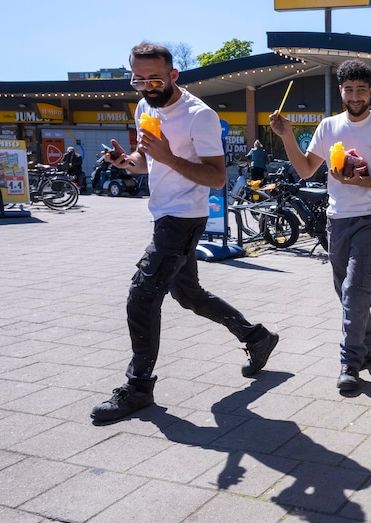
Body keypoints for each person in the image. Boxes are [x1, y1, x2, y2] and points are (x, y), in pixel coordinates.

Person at [90, 42, 279, 425]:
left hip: (183, 218)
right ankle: (256, 337)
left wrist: (167, 157)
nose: (146, 86)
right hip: (163, 214)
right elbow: (146, 161)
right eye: (138, 79)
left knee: (141, 298)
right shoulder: (145, 106)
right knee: (188, 294)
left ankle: (139, 386)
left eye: (155, 78)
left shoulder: (199, 116)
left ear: (174, 75)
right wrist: (126, 162)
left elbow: (217, 177)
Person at [268, 59, 371, 393]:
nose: (355, 95)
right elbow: (304, 169)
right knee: (345, 290)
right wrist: (287, 135)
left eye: (361, 89)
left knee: (355, 290)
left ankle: (350, 361)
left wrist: (361, 181)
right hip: (337, 217)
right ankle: (367, 340)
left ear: (370, 92)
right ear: (341, 91)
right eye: (349, 89)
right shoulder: (328, 127)